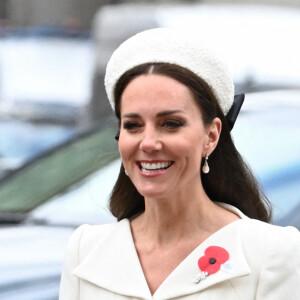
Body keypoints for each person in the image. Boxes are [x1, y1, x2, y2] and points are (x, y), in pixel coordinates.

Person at [59, 28, 300, 300]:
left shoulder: (272, 253)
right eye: (133, 125)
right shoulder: (85, 249)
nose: (148, 143)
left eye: (170, 124)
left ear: (211, 136)